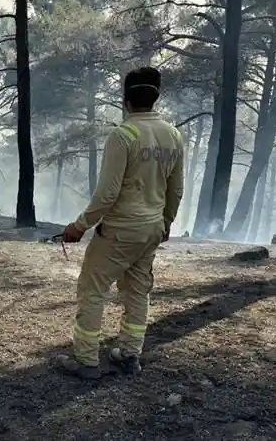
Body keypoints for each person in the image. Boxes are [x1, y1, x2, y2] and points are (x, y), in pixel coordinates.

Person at [55, 66, 184, 380]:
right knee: (138, 291)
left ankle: (86, 361)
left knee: (92, 288)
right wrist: (165, 223)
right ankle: (129, 355)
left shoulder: (123, 135)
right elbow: (176, 189)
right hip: (151, 228)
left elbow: (108, 193)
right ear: (156, 97)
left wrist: (80, 224)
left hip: (120, 230)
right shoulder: (173, 135)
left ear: (125, 99)